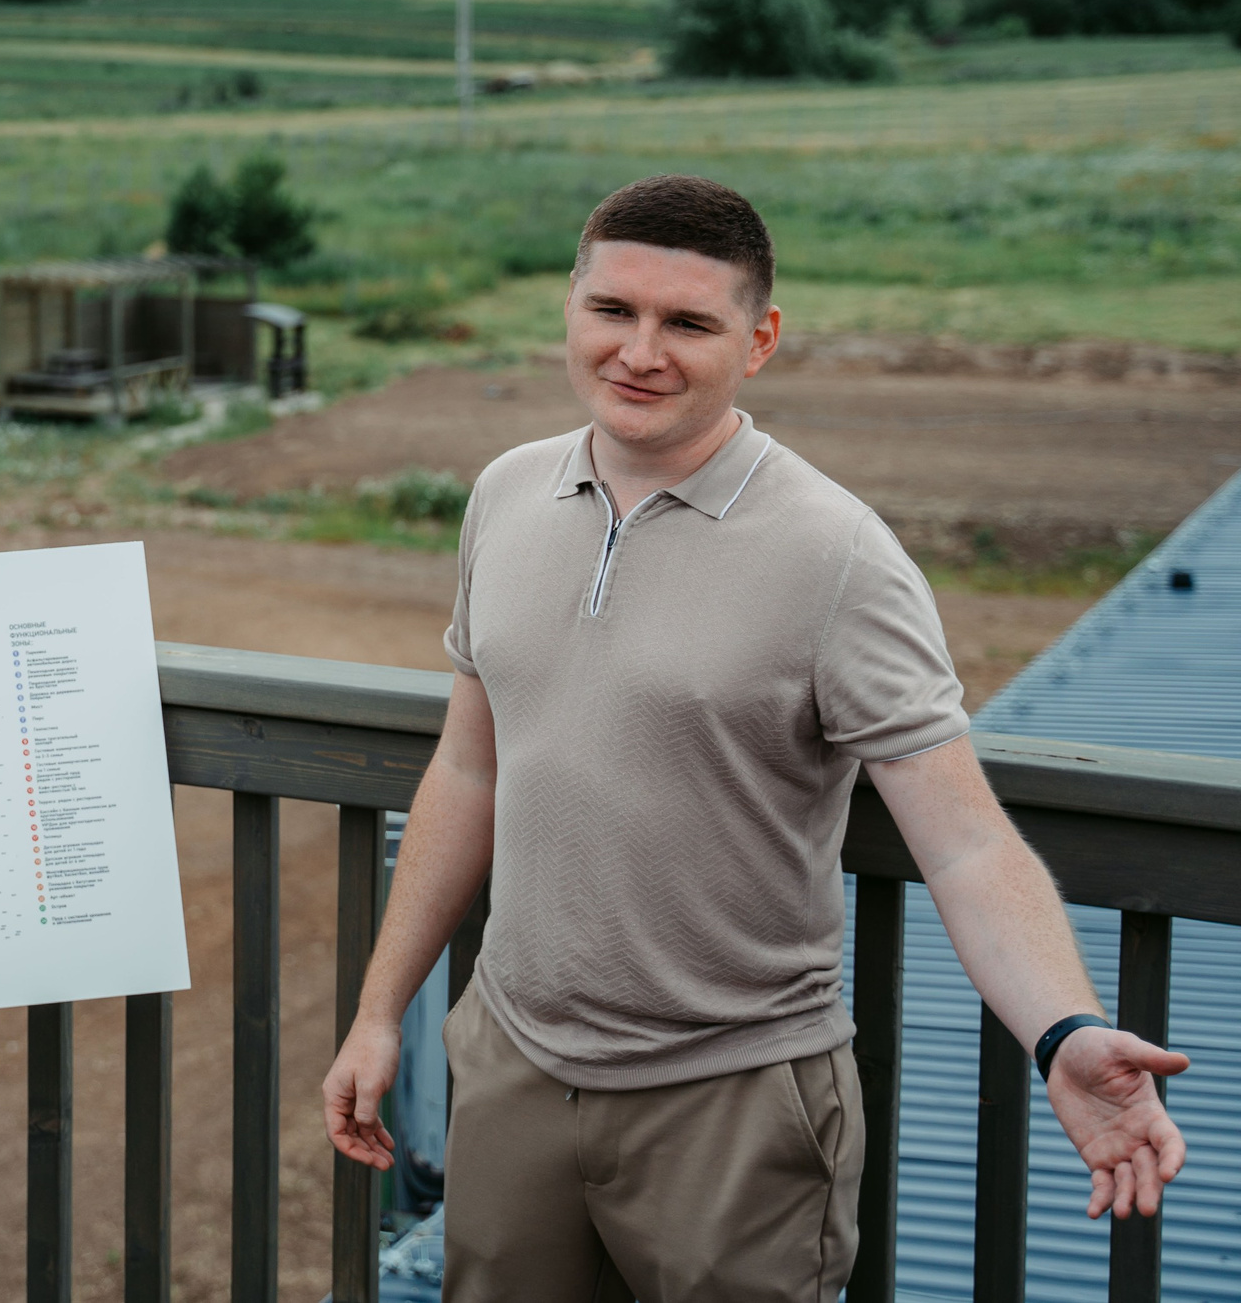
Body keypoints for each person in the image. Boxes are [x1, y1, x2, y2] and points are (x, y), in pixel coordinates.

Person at [321, 176, 1188, 1302]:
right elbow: (470, 764)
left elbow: (968, 845)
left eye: (687, 323)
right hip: (514, 1067)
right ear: (568, 308)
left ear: (759, 338)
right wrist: (381, 1009)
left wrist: (1063, 1030)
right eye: (612, 311)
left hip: (732, 1102)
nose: (639, 351)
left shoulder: (837, 556)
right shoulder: (505, 492)